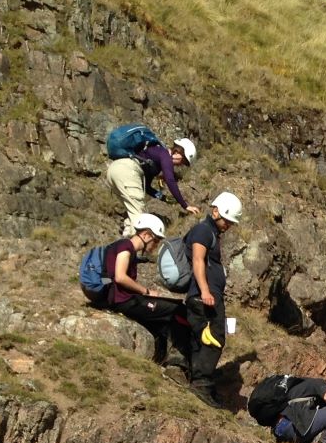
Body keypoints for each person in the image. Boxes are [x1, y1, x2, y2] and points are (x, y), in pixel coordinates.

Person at [100, 212, 188, 366]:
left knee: (163, 318)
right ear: (146, 235)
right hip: (123, 300)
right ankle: (181, 359)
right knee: (176, 309)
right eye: (156, 241)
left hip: (123, 298)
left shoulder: (123, 248)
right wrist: (146, 292)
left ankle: (163, 357)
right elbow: (120, 277)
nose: (155, 246)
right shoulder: (125, 247)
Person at [183, 192, 242, 403]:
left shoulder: (212, 233)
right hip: (205, 297)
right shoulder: (203, 230)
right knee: (216, 337)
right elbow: (198, 260)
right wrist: (205, 291)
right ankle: (201, 384)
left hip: (208, 295)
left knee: (205, 338)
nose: (228, 225)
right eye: (227, 219)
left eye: (231, 222)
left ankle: (199, 380)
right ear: (215, 211)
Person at [105, 132, 199, 236]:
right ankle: (130, 246)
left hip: (114, 171)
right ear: (178, 152)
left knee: (132, 216)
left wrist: (163, 198)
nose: (181, 165)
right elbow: (170, 180)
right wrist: (185, 205)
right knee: (140, 220)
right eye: (184, 161)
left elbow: (148, 188)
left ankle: (125, 240)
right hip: (128, 172)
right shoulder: (165, 155)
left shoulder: (154, 156)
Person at [251, 377, 326, 443]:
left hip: (280, 430)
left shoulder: (301, 386)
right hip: (290, 427)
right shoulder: (320, 383)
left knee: (311, 421)